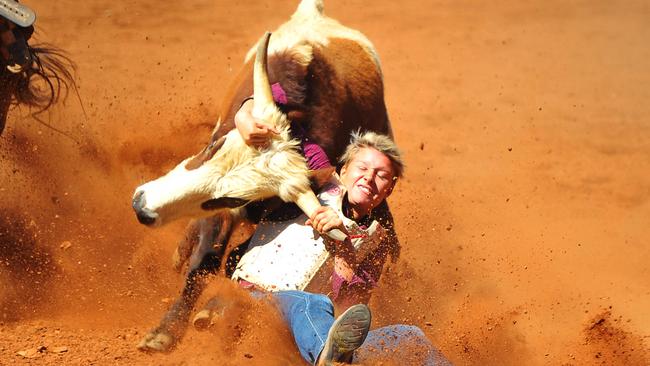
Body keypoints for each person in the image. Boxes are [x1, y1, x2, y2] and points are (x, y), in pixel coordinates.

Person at [206, 98, 451, 364]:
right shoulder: (314, 179)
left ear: (389, 189)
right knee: (311, 303)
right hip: (255, 300)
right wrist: (246, 109)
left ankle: (335, 357)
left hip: (312, 330)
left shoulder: (376, 241)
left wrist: (343, 250)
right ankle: (333, 359)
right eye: (363, 168)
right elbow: (278, 120)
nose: (369, 178)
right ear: (343, 170)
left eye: (380, 175)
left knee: (410, 337)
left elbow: (348, 315)